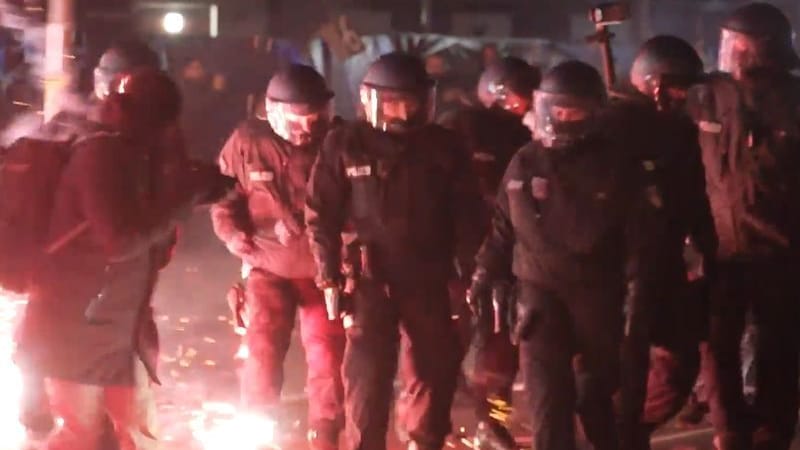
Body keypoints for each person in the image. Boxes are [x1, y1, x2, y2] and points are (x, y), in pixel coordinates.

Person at [14, 68, 230, 450]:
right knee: (81, 438)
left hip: (117, 332)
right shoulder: (98, 155)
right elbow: (121, 240)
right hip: (75, 331)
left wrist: (200, 187)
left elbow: (153, 217)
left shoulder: (134, 155)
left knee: (137, 436)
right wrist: (183, 199)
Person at [468, 60, 669, 450]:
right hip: (539, 297)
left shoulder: (619, 165)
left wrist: (638, 291)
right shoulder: (526, 161)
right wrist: (484, 272)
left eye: (573, 112)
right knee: (548, 403)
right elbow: (502, 228)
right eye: (557, 111)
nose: (563, 120)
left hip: (601, 297)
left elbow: (642, 238)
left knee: (599, 400)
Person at [305, 51, 485, 450]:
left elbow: (469, 216)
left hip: (429, 278)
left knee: (432, 372)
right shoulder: (345, 142)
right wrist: (329, 274)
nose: (402, 113)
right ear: (370, 101)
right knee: (367, 379)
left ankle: (424, 441)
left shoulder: (445, 147)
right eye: (393, 104)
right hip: (369, 280)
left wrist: (476, 275)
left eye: (411, 104)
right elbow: (321, 214)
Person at [15, 40, 167, 443]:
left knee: (112, 426)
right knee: (78, 427)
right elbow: (120, 238)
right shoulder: (88, 144)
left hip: (109, 314)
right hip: (74, 312)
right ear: (118, 88)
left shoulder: (138, 146)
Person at [210, 63, 345, 450]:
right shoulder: (247, 142)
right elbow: (224, 198)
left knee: (328, 354)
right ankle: (259, 426)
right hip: (267, 266)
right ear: (273, 113)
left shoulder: (340, 142)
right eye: (297, 121)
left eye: (315, 120)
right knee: (263, 345)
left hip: (325, 271)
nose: (306, 130)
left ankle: (325, 433)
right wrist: (234, 236)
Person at [684, 3, 800, 449]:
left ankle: (773, 431)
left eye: (737, 43)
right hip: (720, 248)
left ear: (762, 49)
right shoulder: (708, 95)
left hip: (781, 249)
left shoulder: (792, 102)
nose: (727, 51)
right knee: (717, 344)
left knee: (778, 346)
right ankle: (728, 428)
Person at [620, 35, 718, 449]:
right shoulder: (614, 126)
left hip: (666, 265)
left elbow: (695, 196)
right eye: (679, 87)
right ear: (655, 84)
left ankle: (631, 431)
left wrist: (710, 247)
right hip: (619, 269)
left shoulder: (681, 132)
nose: (685, 97)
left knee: (676, 365)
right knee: (619, 366)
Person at [438, 56, 540, 450]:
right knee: (442, 347)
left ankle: (491, 422)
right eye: (516, 98)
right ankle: (436, 421)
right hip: (456, 257)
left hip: (505, 257)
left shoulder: (525, 137)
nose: (522, 106)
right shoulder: (457, 128)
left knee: (500, 352)